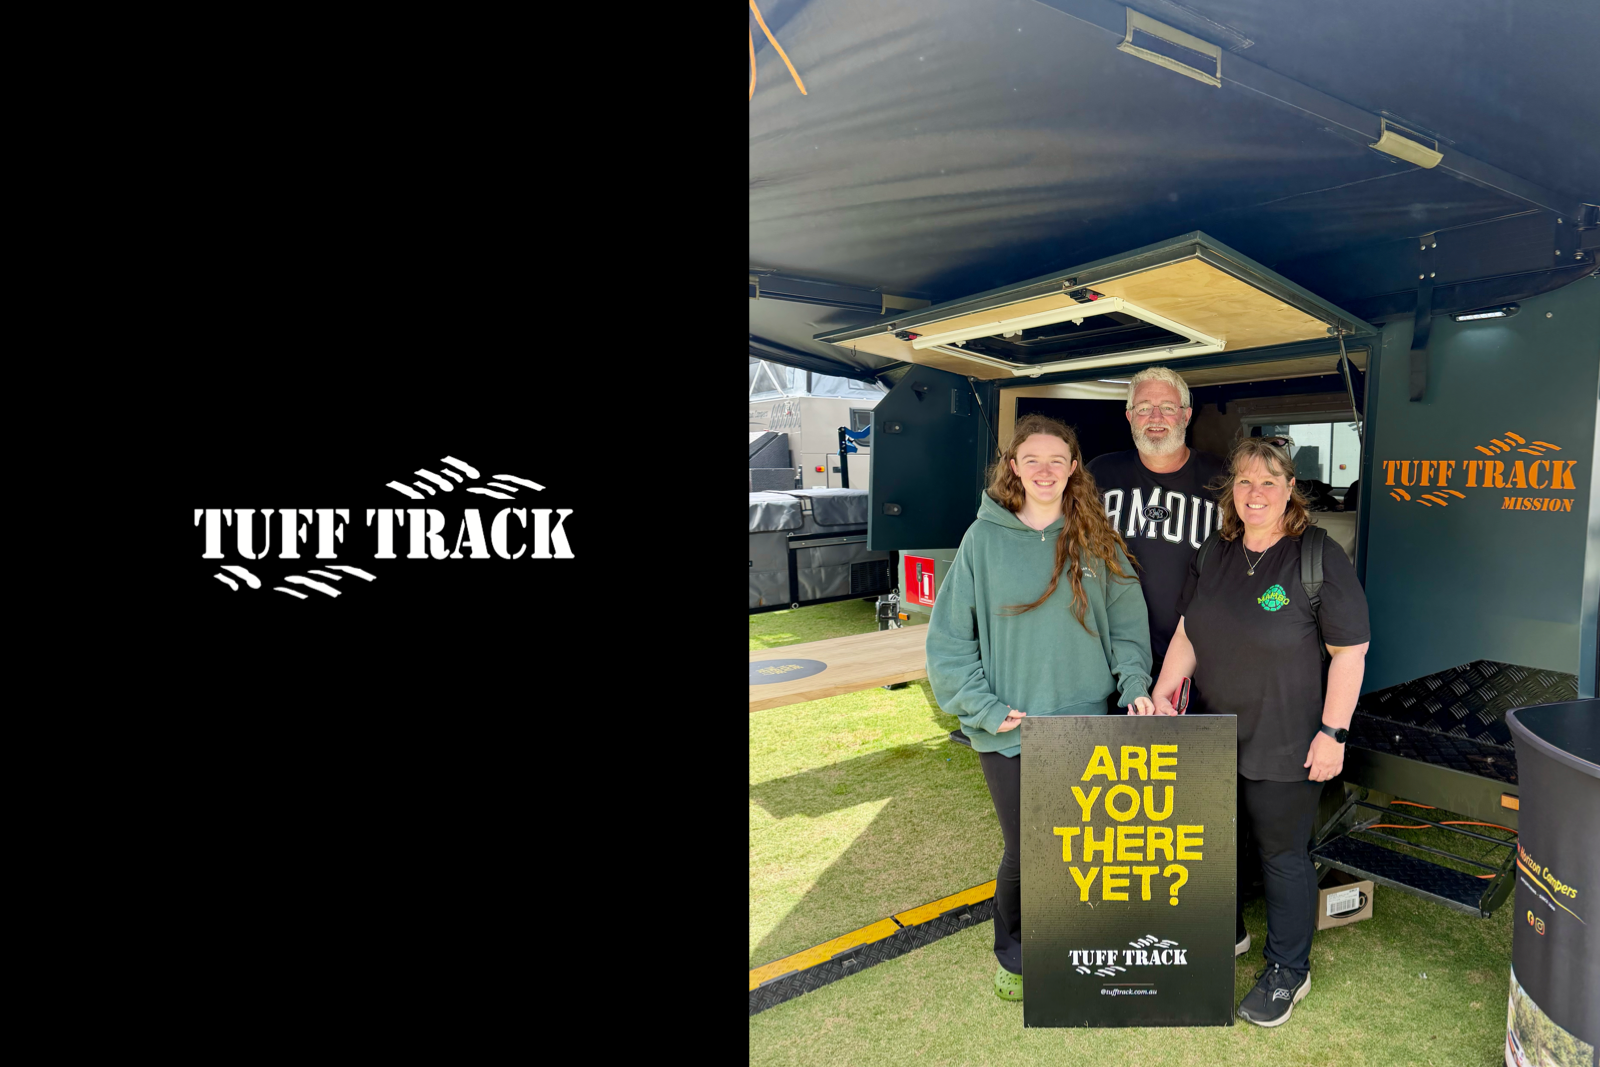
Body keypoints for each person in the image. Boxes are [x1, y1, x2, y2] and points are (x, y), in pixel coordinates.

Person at [925, 414, 1155, 1003]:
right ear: (1013, 468)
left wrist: (1133, 686)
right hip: (1011, 726)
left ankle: (1081, 943)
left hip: (1087, 720)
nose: (1046, 470)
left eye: (1058, 459)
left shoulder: (1096, 536)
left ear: (1074, 467)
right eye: (1033, 460)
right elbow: (950, 639)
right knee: (1028, 847)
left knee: (1083, 843)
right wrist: (982, 706)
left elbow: (1128, 623)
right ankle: (1018, 953)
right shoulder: (982, 539)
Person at [1144, 436, 1371, 1028]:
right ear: (1231, 492)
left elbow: (1350, 653)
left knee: (1281, 856)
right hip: (1213, 733)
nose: (1256, 492)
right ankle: (1230, 933)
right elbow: (1190, 633)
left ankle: (1288, 971)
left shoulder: (1318, 557)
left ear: (1290, 488)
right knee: (1213, 841)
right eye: (1244, 481)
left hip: (1286, 739)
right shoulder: (1213, 552)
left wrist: (1334, 734)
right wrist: (1166, 696)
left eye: (1269, 480)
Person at [1086, 367, 1228, 681]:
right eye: (1144, 408)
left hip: (1199, 652)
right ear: (1129, 416)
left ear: (1186, 415)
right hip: (1114, 652)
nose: (1155, 417)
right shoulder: (1100, 473)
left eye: (1167, 408)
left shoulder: (1223, 477)